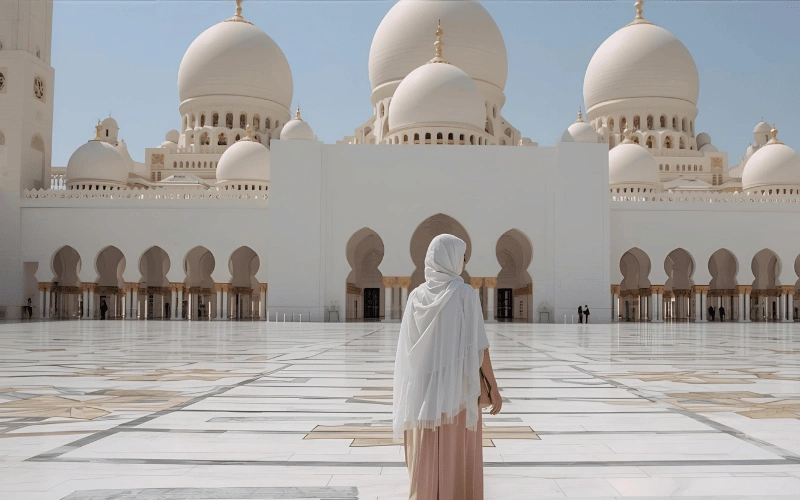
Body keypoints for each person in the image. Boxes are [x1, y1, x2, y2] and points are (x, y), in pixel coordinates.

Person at [394, 234, 501, 500]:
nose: (464, 263)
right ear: (453, 259)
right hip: (457, 393)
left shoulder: (416, 296)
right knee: (456, 454)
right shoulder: (463, 292)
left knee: (426, 456)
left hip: (421, 395)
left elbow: (406, 352)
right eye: (462, 258)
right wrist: (494, 388)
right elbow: (479, 348)